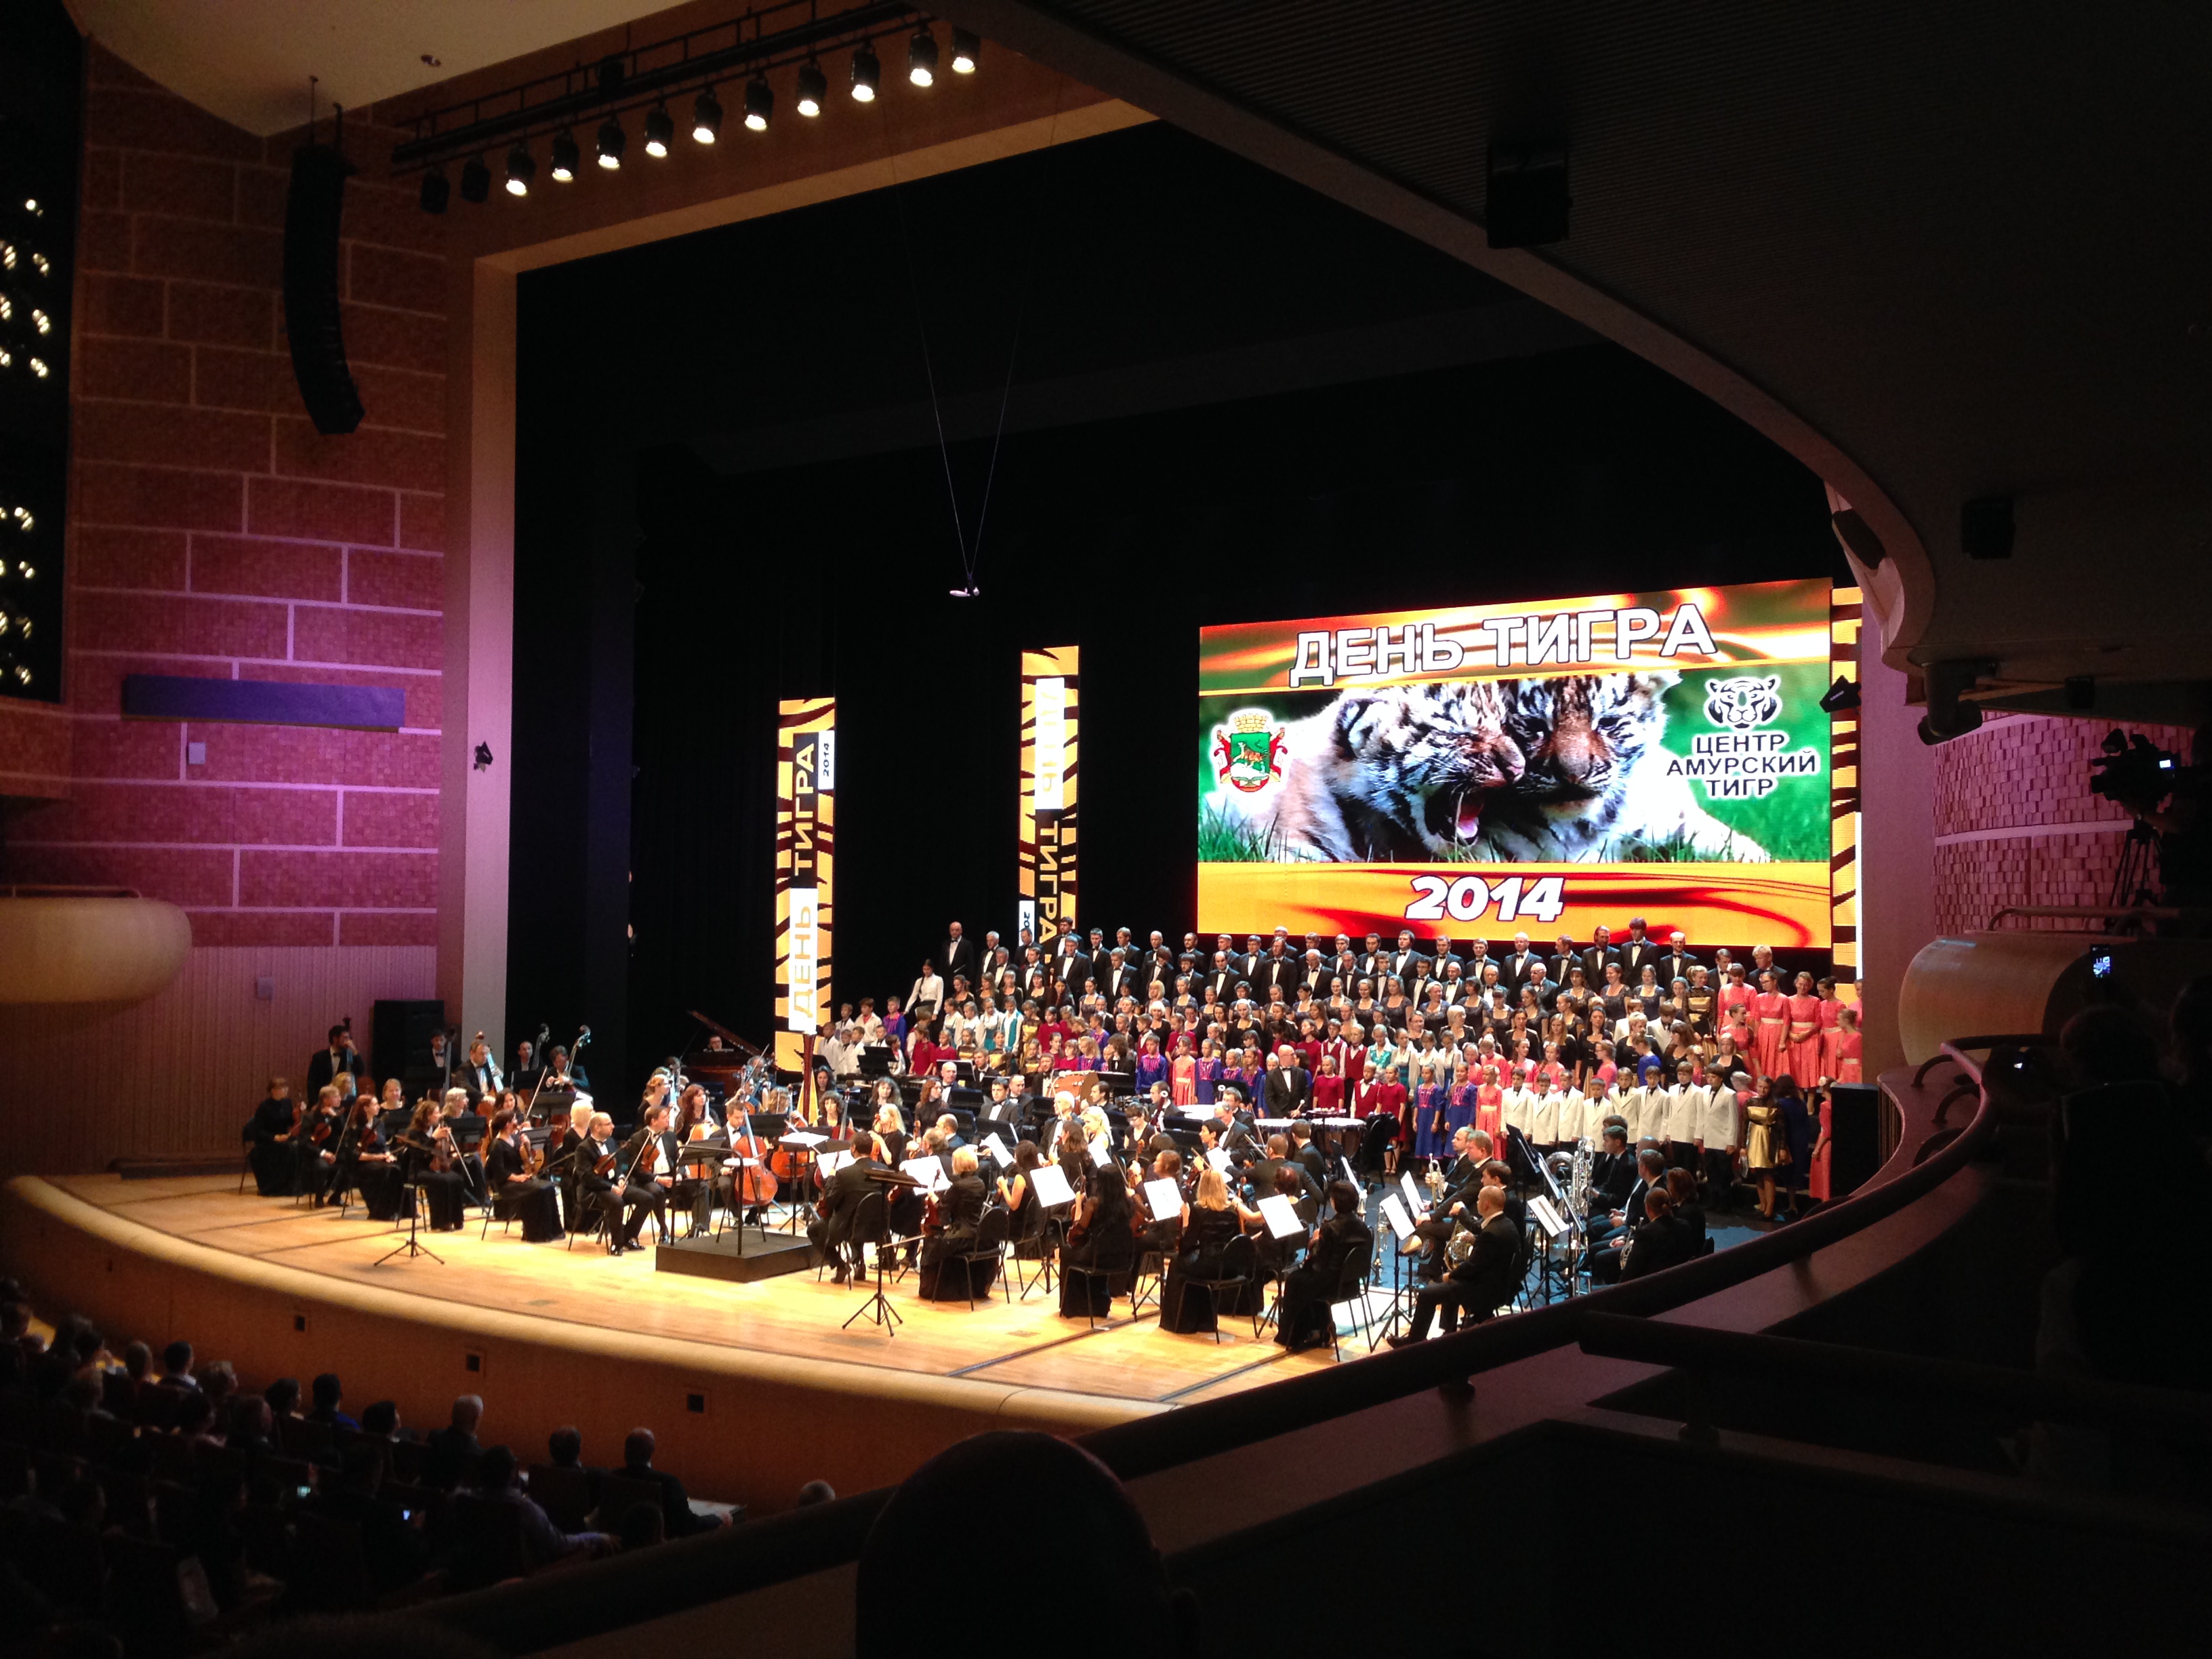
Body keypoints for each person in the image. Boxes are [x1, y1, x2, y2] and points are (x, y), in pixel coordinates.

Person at [1388, 1185, 1521, 1343]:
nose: (1477, 1203)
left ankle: (1414, 1342)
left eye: (1479, 1200)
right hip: (1499, 1283)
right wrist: (1475, 1240)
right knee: (1446, 1284)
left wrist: (1451, 1274)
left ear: (1486, 1205)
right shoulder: (1504, 1223)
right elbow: (1485, 1252)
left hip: (1484, 1289)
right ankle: (1448, 1333)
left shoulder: (1491, 1233)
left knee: (1428, 1293)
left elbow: (1472, 1266)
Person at [470, 1444, 610, 1570]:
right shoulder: (524, 1508)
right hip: (530, 1578)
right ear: (513, 1473)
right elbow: (560, 1545)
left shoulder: (467, 1498)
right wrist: (597, 1537)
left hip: (481, 1570)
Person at [1274, 1181, 1372, 1350]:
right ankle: (1320, 1328)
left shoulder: (1330, 1228)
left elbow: (1319, 1264)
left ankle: (1292, 1335)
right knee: (1302, 1280)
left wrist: (1315, 1241)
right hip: (1352, 1284)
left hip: (1330, 1285)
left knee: (1294, 1280)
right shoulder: (1364, 1228)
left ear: (1335, 1202)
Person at [1159, 1166, 1246, 1334]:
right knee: (1193, 1262)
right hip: (1229, 1269)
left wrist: (1185, 1224)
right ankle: (1206, 1321)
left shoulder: (1199, 1211)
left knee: (1177, 1262)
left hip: (1209, 1269)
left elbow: (1187, 1245)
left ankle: (1180, 1323)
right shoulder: (1232, 1211)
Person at [1059, 1149, 1136, 1318]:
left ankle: (1075, 1306)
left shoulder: (1094, 1203)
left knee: (1067, 1251)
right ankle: (1099, 1302)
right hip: (1121, 1258)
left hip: (1097, 1258)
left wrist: (1078, 1204)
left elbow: (1079, 1232)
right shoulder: (1128, 1204)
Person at [808, 1125, 883, 1284]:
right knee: (856, 1214)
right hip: (876, 1227)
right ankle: (859, 1262)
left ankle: (840, 1265)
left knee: (813, 1230)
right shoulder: (884, 1170)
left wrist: (831, 1178)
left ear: (853, 1148)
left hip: (847, 1229)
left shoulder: (844, 1174)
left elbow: (830, 1202)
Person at [617, 1428, 726, 1536]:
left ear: (626, 1450)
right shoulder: (668, 1483)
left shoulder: (613, 1477)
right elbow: (688, 1525)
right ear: (652, 1450)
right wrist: (717, 1518)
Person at [918, 1147, 989, 1300]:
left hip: (961, 1237)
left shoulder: (958, 1186)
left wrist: (931, 1194)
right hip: (978, 1234)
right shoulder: (980, 1183)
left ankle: (934, 1290)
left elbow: (942, 1207)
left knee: (931, 1243)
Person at [485, 1107, 562, 1241]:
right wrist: (516, 1178)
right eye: (514, 1120)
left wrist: (527, 1145)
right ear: (508, 1124)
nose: (517, 1122)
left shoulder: (514, 1139)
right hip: (506, 1184)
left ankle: (553, 1231)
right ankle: (537, 1234)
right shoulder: (496, 1146)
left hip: (520, 1177)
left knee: (549, 1187)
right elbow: (499, 1172)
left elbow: (526, 1161)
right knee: (538, 1190)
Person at [1618, 1187, 1698, 1281]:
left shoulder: (1645, 1233)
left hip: (1651, 1284)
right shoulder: (1685, 1225)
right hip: (1680, 1280)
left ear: (1647, 1208)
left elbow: (1630, 1272)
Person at [245, 1076, 301, 1196]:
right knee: (288, 1149)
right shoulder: (264, 1107)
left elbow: (290, 1122)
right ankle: (278, 1187)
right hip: (266, 1142)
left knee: (298, 1147)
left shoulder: (287, 1103)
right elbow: (258, 1131)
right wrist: (274, 1137)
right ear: (273, 1090)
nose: (286, 1090)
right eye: (282, 1088)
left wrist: (299, 1113)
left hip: (283, 1138)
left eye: (286, 1087)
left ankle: (292, 1186)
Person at [306, 1023, 360, 1096]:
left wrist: (355, 1051)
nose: (348, 1041)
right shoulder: (319, 1057)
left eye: (349, 1038)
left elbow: (360, 1071)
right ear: (335, 1039)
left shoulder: (349, 1056)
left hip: (344, 1098)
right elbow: (312, 1082)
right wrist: (314, 1101)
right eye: (345, 1038)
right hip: (325, 1097)